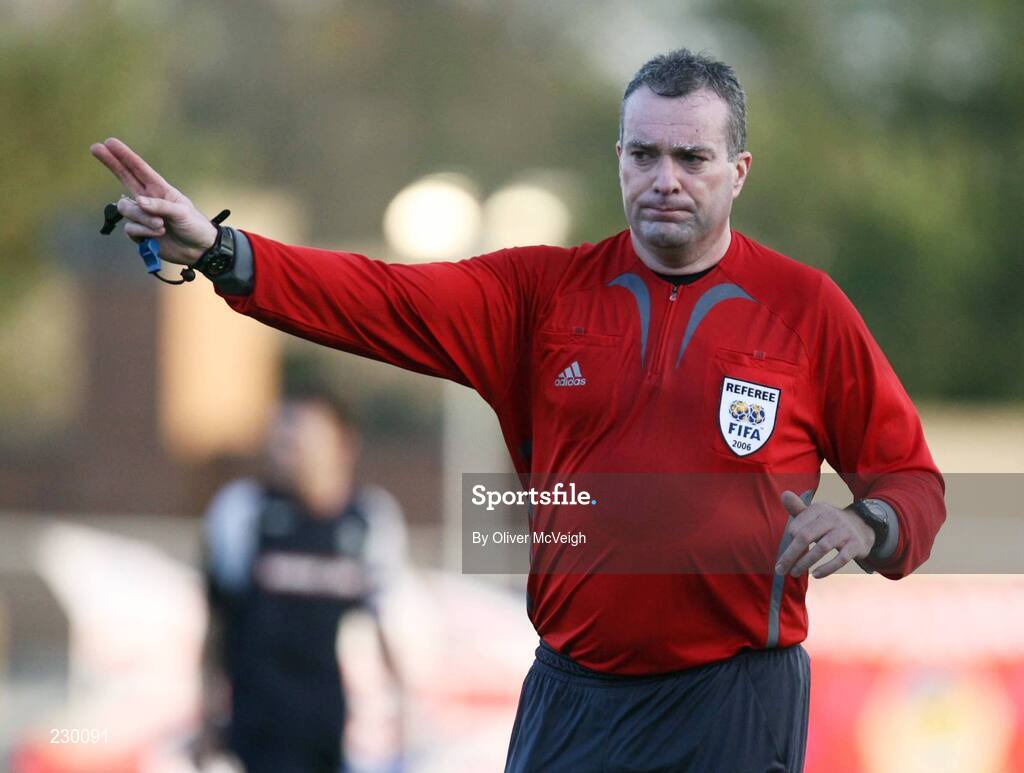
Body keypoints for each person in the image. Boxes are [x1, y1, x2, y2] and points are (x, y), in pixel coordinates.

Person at [92, 48, 945, 772]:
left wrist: (866, 523)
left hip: (733, 698)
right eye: (644, 154)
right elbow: (378, 296)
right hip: (573, 696)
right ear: (618, 158)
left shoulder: (805, 310)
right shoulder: (541, 295)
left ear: (739, 170)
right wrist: (222, 251)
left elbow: (913, 482)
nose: (665, 179)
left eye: (692, 158)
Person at [199, 388, 407, 773]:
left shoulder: (371, 520)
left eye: (300, 436)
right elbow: (217, 624)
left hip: (348, 739)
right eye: (279, 436)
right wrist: (207, 718)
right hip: (261, 736)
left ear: (343, 445)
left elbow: (393, 629)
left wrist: (405, 725)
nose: (285, 449)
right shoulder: (243, 511)